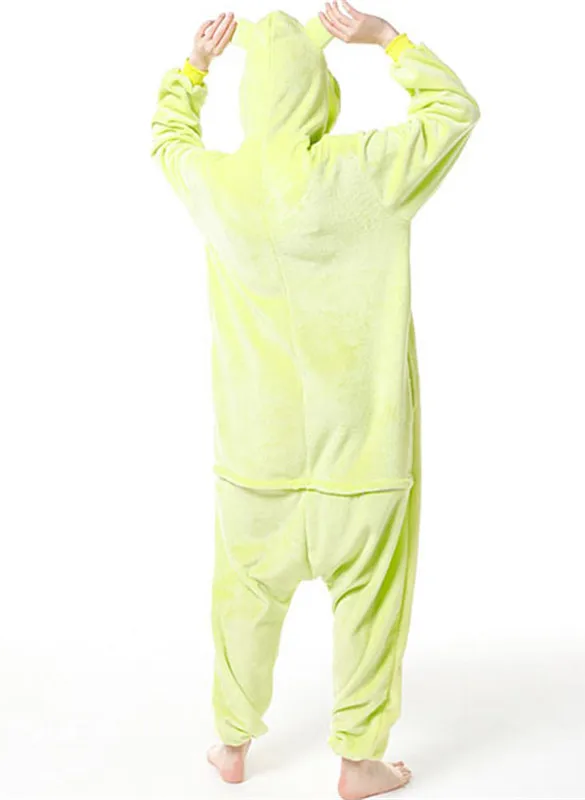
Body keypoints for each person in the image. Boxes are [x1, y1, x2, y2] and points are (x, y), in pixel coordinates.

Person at [150, 3, 479, 797]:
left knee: (242, 603)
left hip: (255, 458)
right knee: (371, 607)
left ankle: (231, 745)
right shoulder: (361, 171)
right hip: (363, 457)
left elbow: (167, 140)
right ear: (319, 93)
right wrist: (387, 40)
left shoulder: (220, 185)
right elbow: (453, 111)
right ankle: (359, 762)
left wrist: (194, 69)